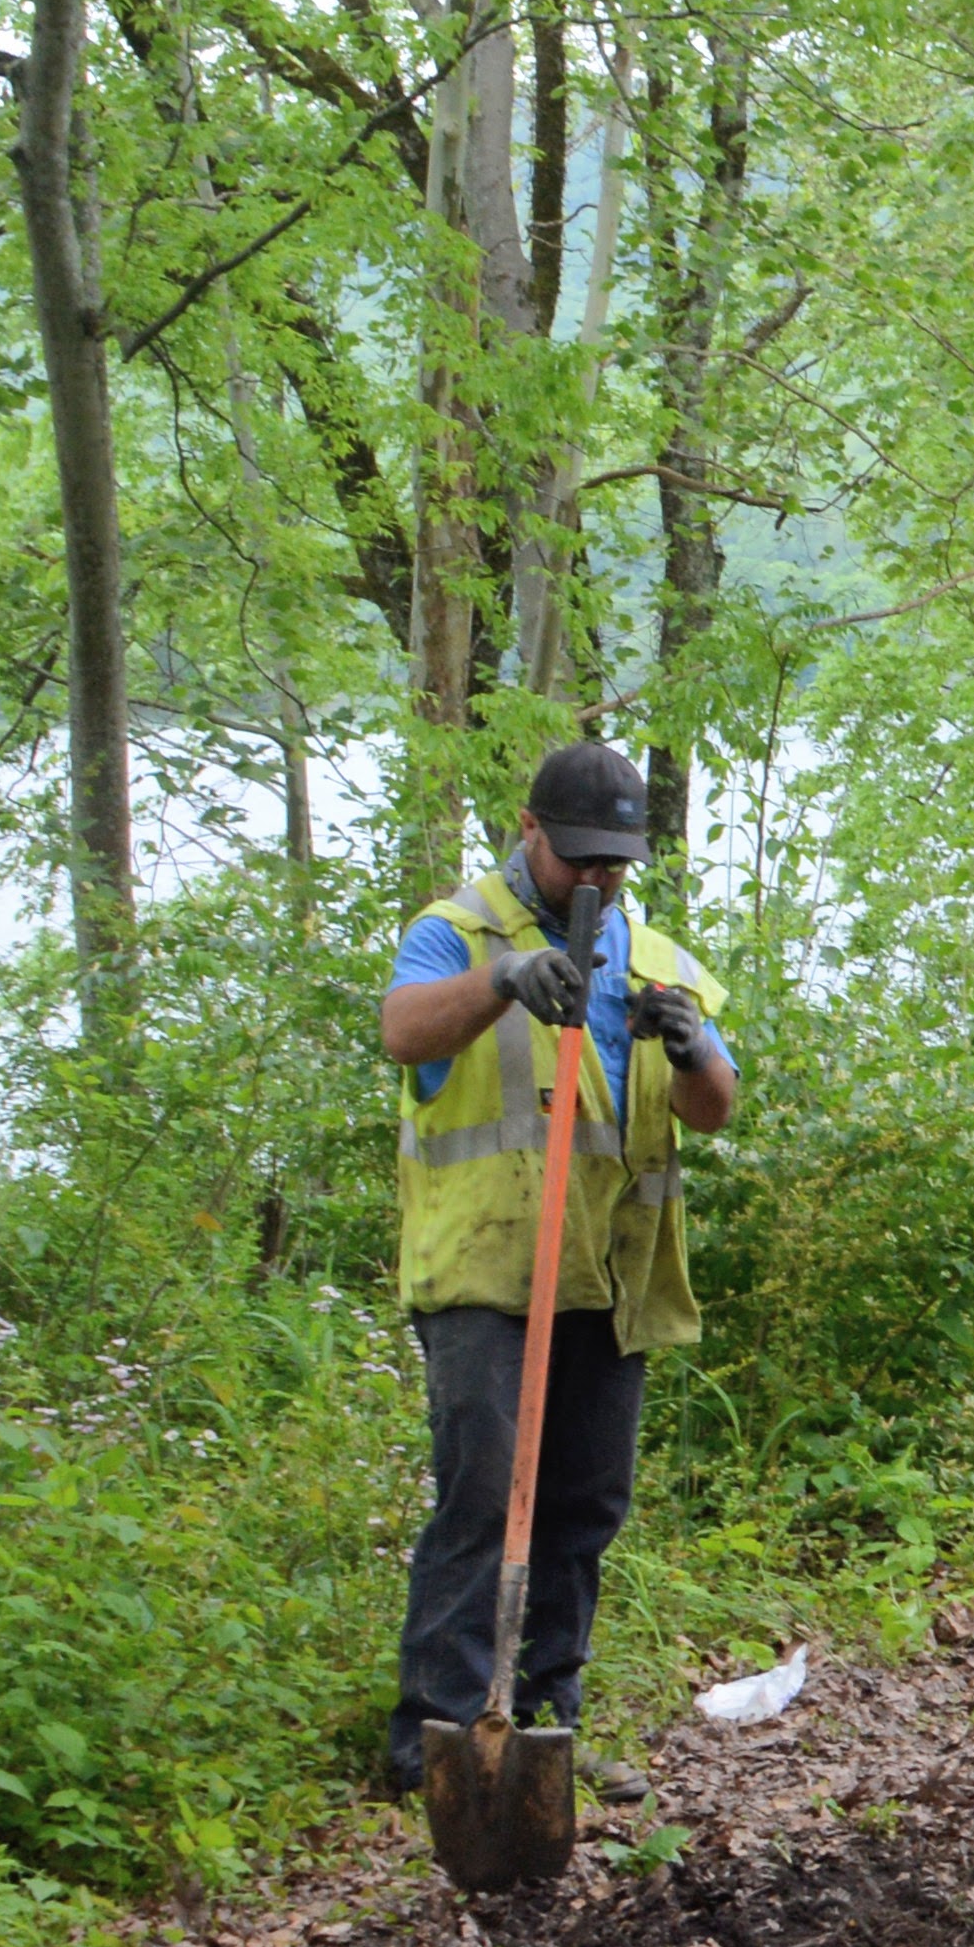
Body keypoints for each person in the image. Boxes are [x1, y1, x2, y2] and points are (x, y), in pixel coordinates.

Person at [374, 738, 744, 1790]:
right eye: (578, 857)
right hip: (487, 1274)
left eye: (614, 862)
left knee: (582, 1504)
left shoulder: (656, 953)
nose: (597, 879)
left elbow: (714, 1110)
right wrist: (503, 980)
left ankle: (542, 1727)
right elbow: (404, 1033)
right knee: (487, 1498)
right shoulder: (456, 933)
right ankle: (434, 1745)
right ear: (528, 830)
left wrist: (692, 1047)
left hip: (608, 1275)